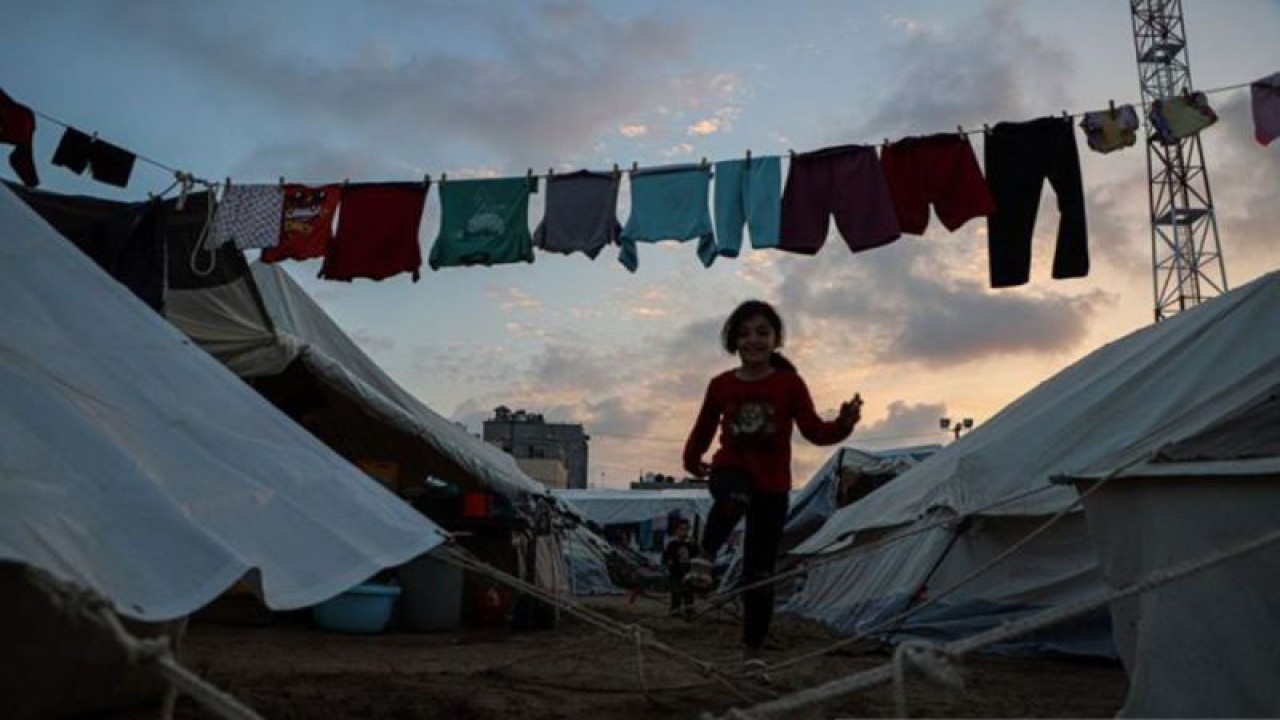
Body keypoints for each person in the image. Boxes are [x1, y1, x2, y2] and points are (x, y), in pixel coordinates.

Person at [681, 299, 861, 678]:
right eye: (744, 333)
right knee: (734, 496)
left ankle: (753, 653)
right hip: (729, 471)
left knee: (759, 573)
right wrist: (692, 458)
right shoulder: (721, 385)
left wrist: (844, 424)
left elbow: (814, 430)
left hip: (773, 486)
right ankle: (704, 557)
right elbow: (704, 427)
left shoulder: (789, 384)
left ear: (776, 339)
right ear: (733, 341)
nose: (753, 340)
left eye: (762, 332)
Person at [661, 517, 698, 620]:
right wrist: (668, 562)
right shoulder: (672, 544)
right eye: (681, 529)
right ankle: (675, 610)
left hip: (688, 570)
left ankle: (689, 610)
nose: (684, 532)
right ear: (676, 530)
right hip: (676, 571)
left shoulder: (690, 544)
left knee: (688, 592)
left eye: (686, 529)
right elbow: (666, 557)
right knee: (676, 592)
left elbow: (695, 555)